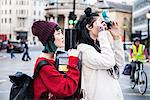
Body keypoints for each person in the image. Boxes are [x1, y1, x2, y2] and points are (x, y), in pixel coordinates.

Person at [76, 7, 124, 100]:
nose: (103, 24)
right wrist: (102, 34)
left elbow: (119, 63)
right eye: (99, 22)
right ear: (89, 27)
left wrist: (116, 38)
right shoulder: (84, 49)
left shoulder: (99, 45)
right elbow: (108, 62)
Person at [31, 21, 80, 100]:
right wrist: (73, 59)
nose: (62, 36)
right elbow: (66, 89)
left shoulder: (53, 58)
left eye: (61, 33)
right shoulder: (45, 66)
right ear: (49, 38)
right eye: (58, 33)